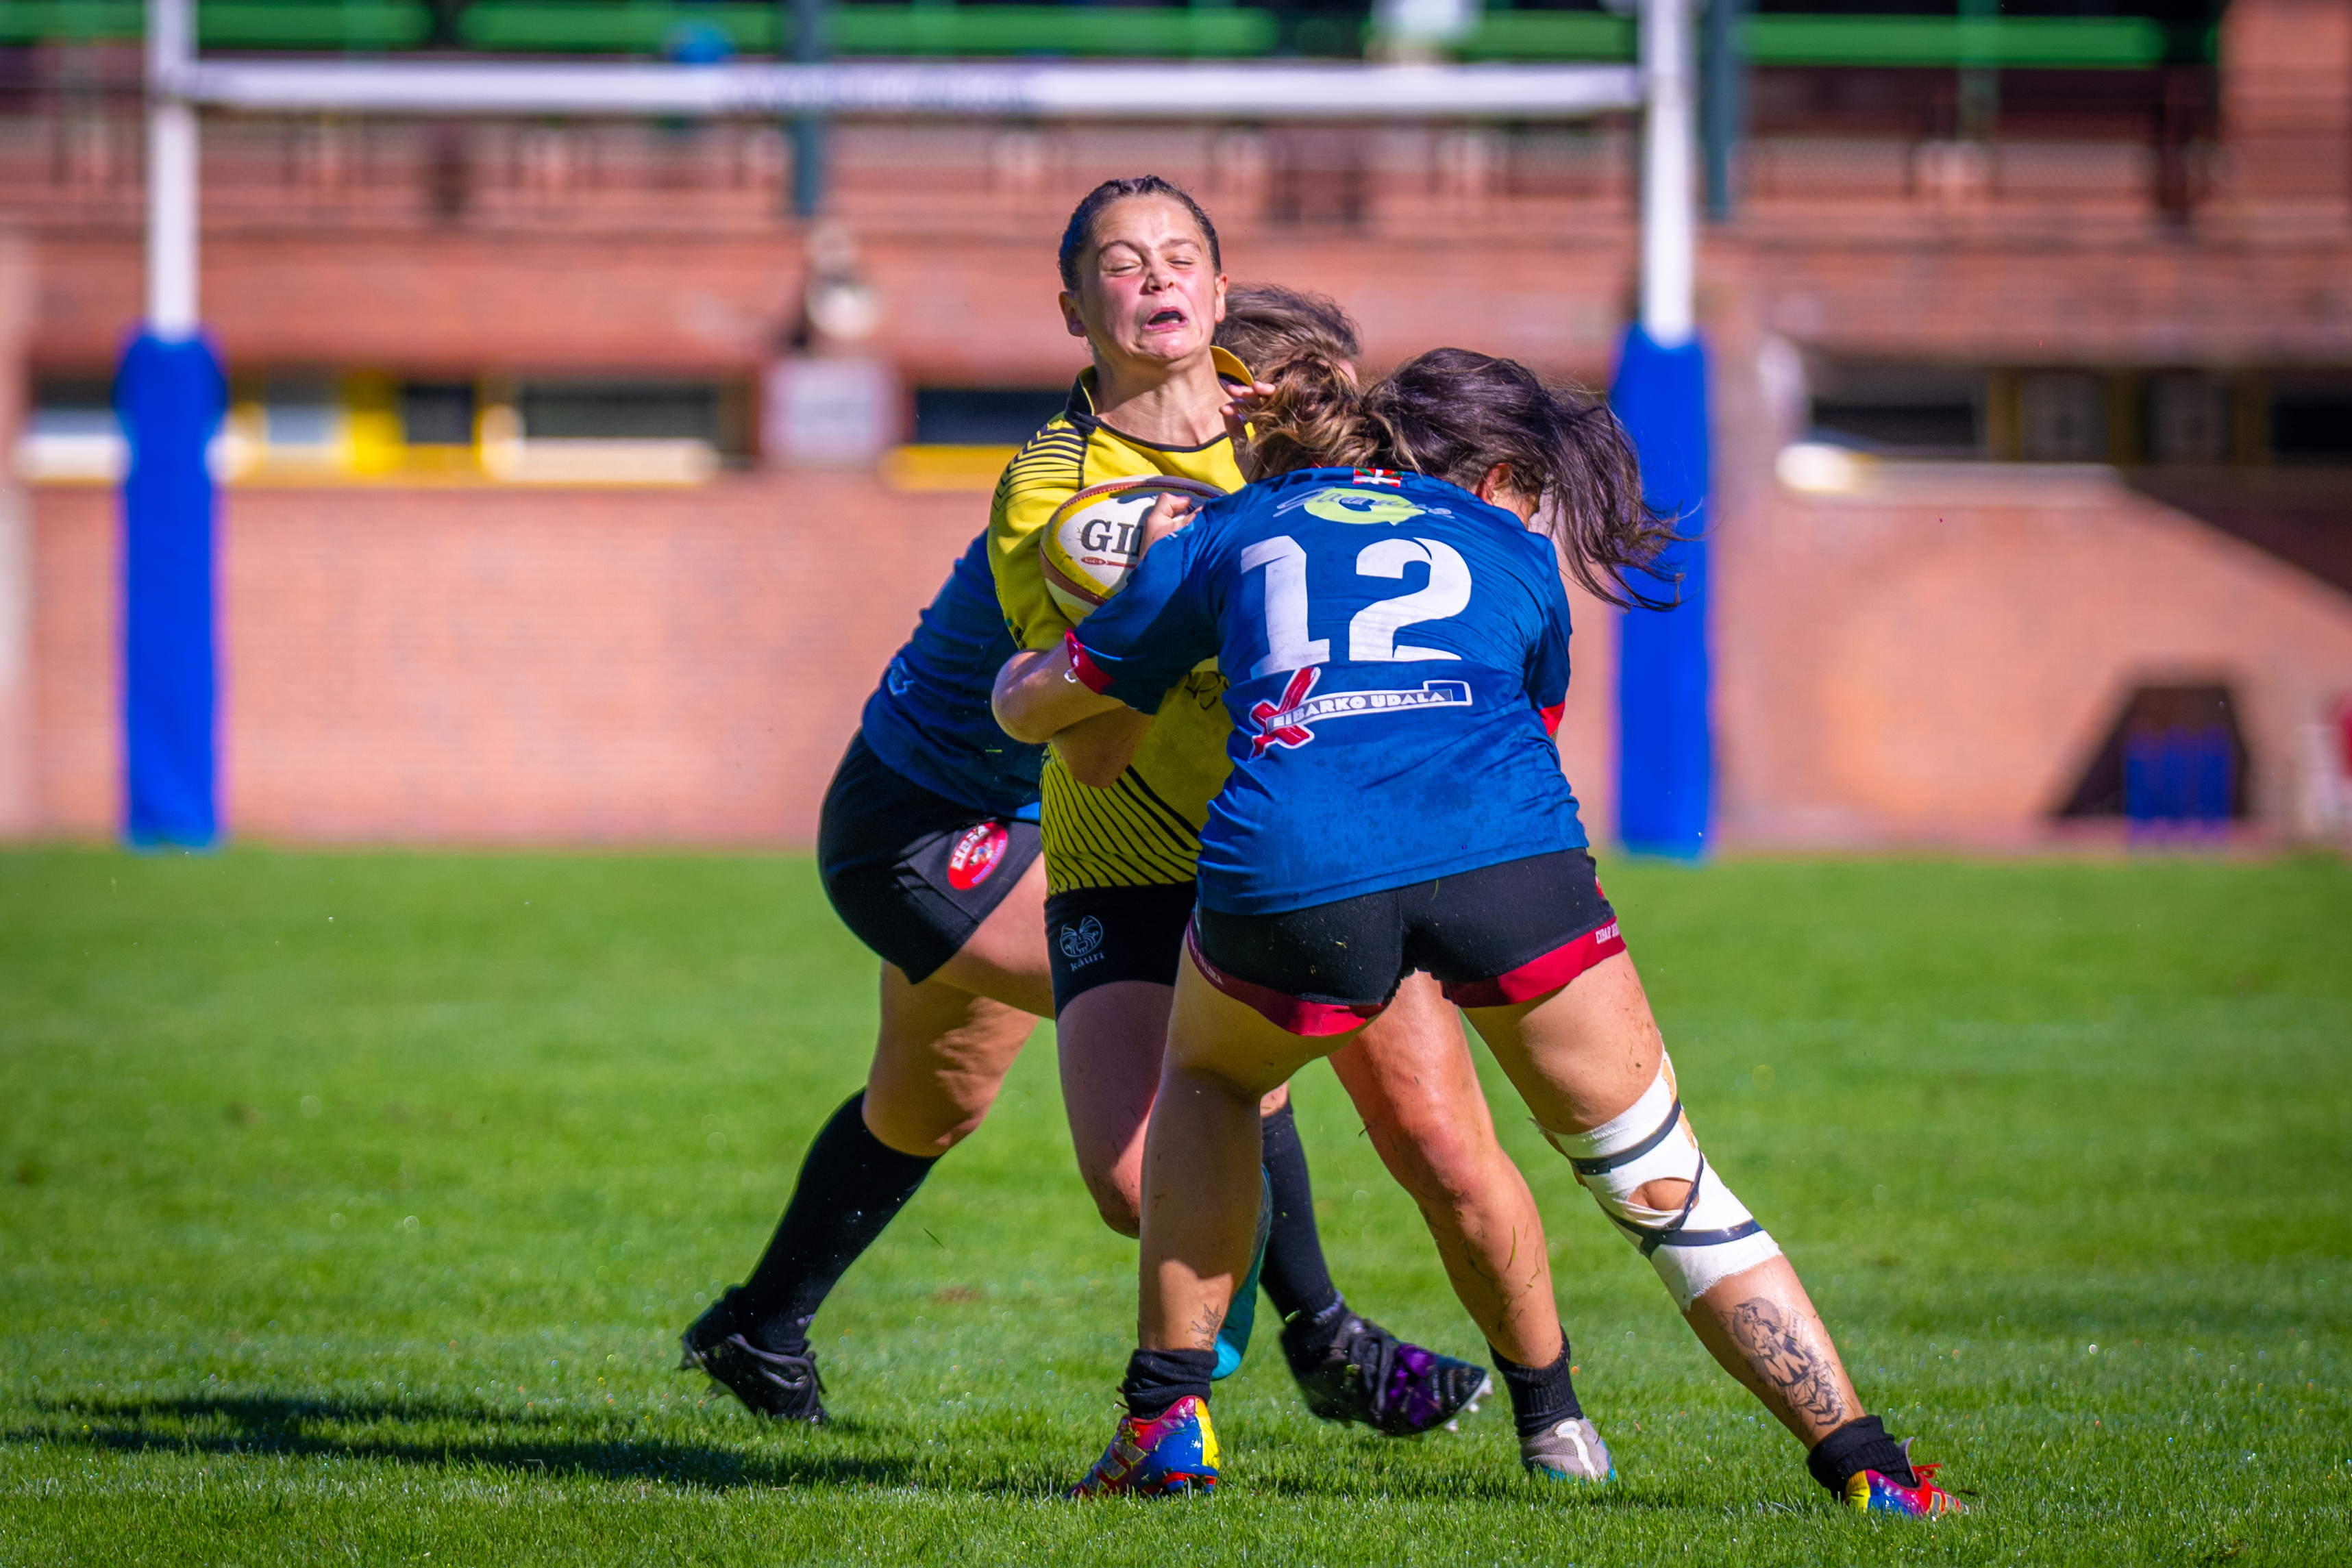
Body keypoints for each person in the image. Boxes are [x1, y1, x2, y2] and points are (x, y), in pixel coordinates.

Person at [997, 349, 1965, 1515]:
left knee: (1205, 1079)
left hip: (1295, 860)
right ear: (1494, 472)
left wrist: (1020, 683)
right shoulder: (1514, 551)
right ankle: (1869, 1466)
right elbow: (1523, 724)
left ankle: (1163, 1419)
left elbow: (1061, 698)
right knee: (1660, 1173)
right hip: (1507, 859)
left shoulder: (1234, 526)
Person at [674, 270, 1487, 1435]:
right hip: (926, 823)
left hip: (1027, 818)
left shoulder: (1245, 498)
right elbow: (1108, 736)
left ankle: (760, 1325)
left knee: (929, 1100)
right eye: (1318, 397)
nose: (1338, 426)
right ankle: (1328, 1339)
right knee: (1216, 1024)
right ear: (1237, 394)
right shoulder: (1142, 506)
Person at [989, 178, 1625, 1452]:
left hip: (1324, 834)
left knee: (1439, 1142)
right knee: (1135, 1182)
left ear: (1220, 291)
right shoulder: (1052, 495)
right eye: (1122, 262)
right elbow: (1103, 748)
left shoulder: (1304, 430)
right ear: (1075, 306)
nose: (1157, 278)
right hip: (1133, 856)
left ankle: (1550, 1413)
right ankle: (1292, 1335)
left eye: (1181, 256)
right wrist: (1154, 616)